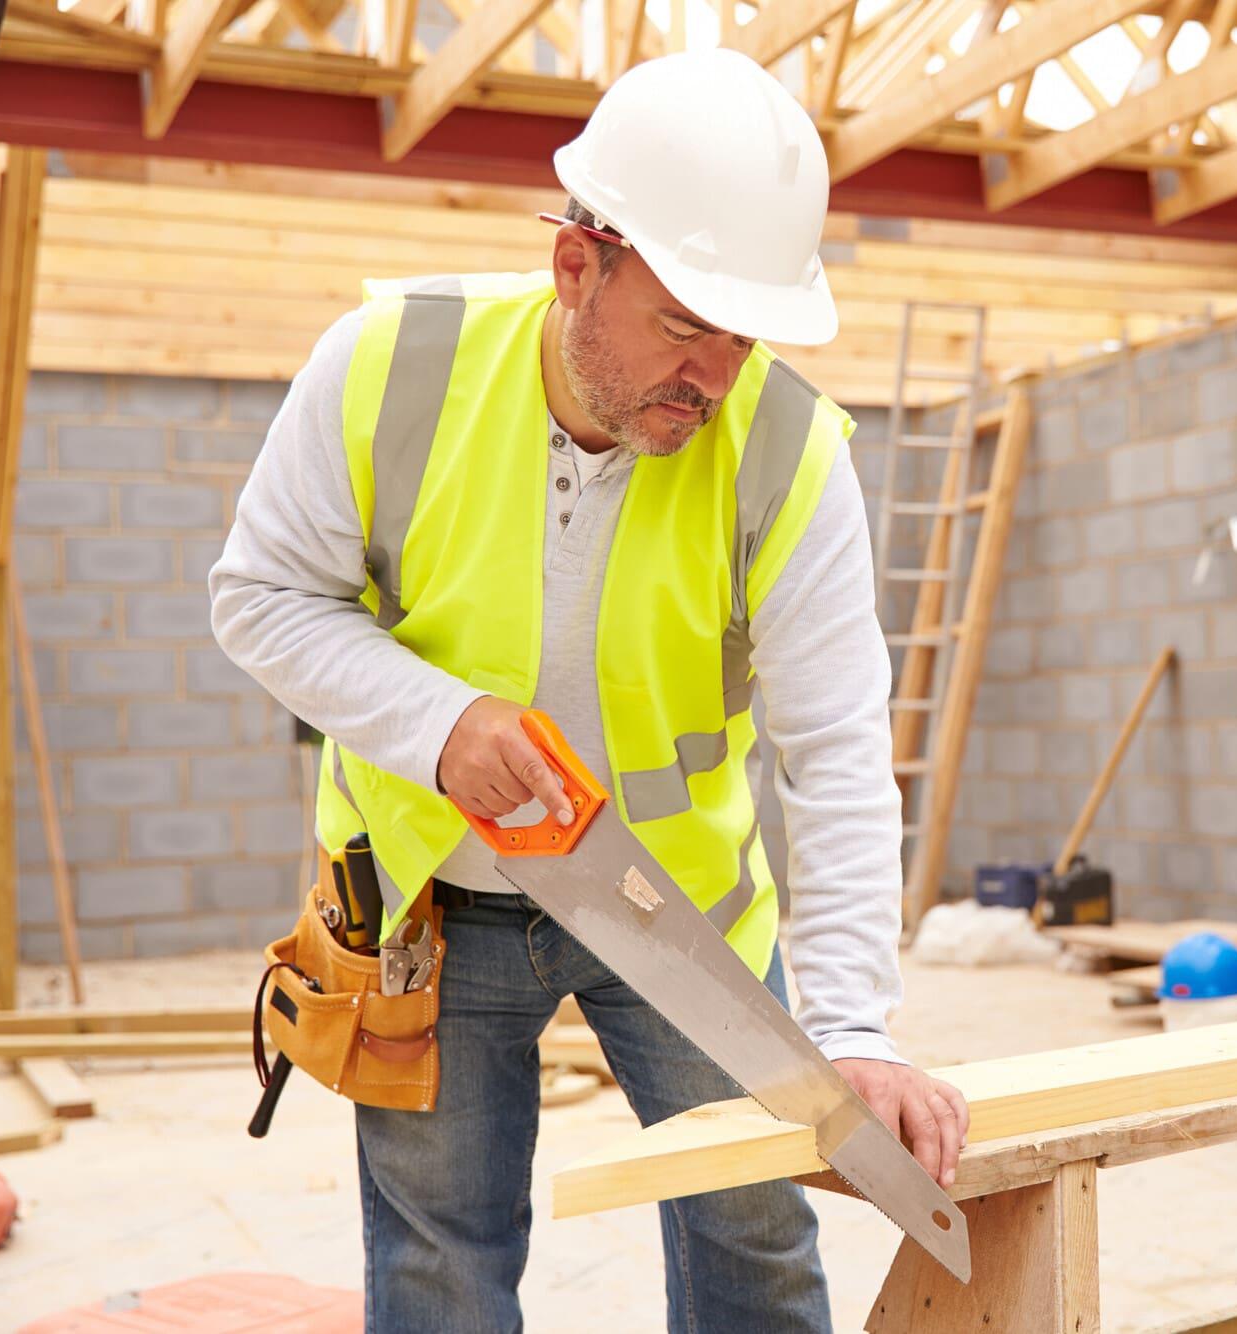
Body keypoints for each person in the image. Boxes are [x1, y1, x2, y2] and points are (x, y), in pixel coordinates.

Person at [210, 47, 968, 1333]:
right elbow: (259, 596)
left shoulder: (784, 453)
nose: (715, 375)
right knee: (441, 1263)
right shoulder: (387, 367)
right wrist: (438, 724)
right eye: (682, 326)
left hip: (678, 912)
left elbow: (836, 751)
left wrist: (853, 1024)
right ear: (577, 263)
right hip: (427, 901)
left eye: (742, 335)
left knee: (758, 1236)